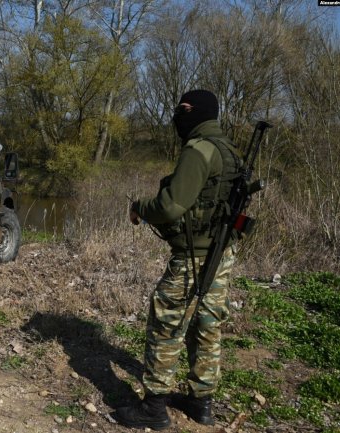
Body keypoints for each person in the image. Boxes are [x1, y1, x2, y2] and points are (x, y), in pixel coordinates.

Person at [114, 89, 242, 430]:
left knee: (166, 323)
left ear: (189, 111)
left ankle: (153, 407)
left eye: (179, 111)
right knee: (207, 324)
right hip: (221, 254)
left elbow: (170, 206)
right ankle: (201, 402)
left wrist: (140, 207)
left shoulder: (199, 150)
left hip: (195, 256)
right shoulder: (228, 150)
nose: (176, 118)